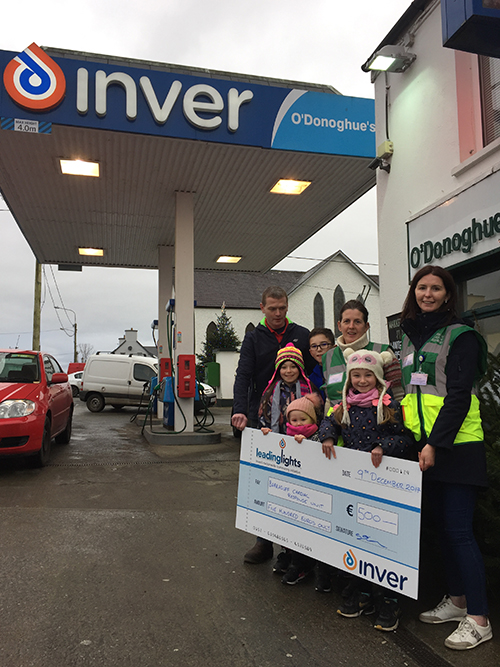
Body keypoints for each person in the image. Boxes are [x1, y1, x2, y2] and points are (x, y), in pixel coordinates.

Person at [399, 265, 493, 651]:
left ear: (448, 295)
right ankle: (457, 601)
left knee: (459, 531)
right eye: (422, 287)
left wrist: (435, 444)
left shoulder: (462, 336)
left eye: (436, 288)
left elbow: (458, 397)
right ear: (414, 293)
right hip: (424, 449)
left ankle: (480, 619)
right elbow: (409, 393)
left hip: (458, 447)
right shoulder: (409, 338)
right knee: (441, 530)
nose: (428, 294)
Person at [318, 348, 414, 631]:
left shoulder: (387, 405)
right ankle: (361, 593)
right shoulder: (343, 407)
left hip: (383, 487)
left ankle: (389, 601)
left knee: (382, 542)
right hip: (353, 486)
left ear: (378, 378)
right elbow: (327, 422)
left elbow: (406, 438)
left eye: (368, 375)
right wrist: (327, 437)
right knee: (356, 539)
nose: (361, 380)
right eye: (356, 375)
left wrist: (383, 446)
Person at [232, 286, 314, 564]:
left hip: (299, 420)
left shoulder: (302, 334)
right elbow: (243, 375)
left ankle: (297, 548)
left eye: (282, 308)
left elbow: (314, 371)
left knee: (298, 481)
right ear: (262, 308)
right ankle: (263, 542)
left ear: (287, 307)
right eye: (272, 308)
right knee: (263, 481)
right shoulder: (253, 338)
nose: (278, 313)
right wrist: (240, 410)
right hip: (262, 417)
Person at [278, 393, 333, 593]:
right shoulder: (285, 436)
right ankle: (297, 563)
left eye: (303, 419)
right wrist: (266, 435)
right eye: (294, 420)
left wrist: (307, 443)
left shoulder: (318, 436)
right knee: (295, 530)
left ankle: (320, 570)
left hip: (316, 494)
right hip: (294, 493)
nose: (299, 423)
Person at [322, 300, 403, 416]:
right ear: (339, 326)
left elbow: (398, 394)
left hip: (375, 424)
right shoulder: (328, 357)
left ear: (366, 326)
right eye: (346, 321)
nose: (351, 326)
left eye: (357, 322)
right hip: (337, 424)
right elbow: (329, 399)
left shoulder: (383, 352)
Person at [259, 344, 317, 434]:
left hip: (303, 438)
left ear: (300, 368)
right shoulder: (270, 392)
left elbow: (317, 416)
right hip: (276, 437)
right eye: (284, 367)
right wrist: (265, 429)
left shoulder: (310, 390)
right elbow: (263, 415)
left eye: (293, 367)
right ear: (278, 370)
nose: (289, 371)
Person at [307, 327, 335, 400]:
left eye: (323, 344)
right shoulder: (311, 379)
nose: (319, 349)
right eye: (314, 346)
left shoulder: (343, 369)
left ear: (334, 347)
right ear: (310, 352)